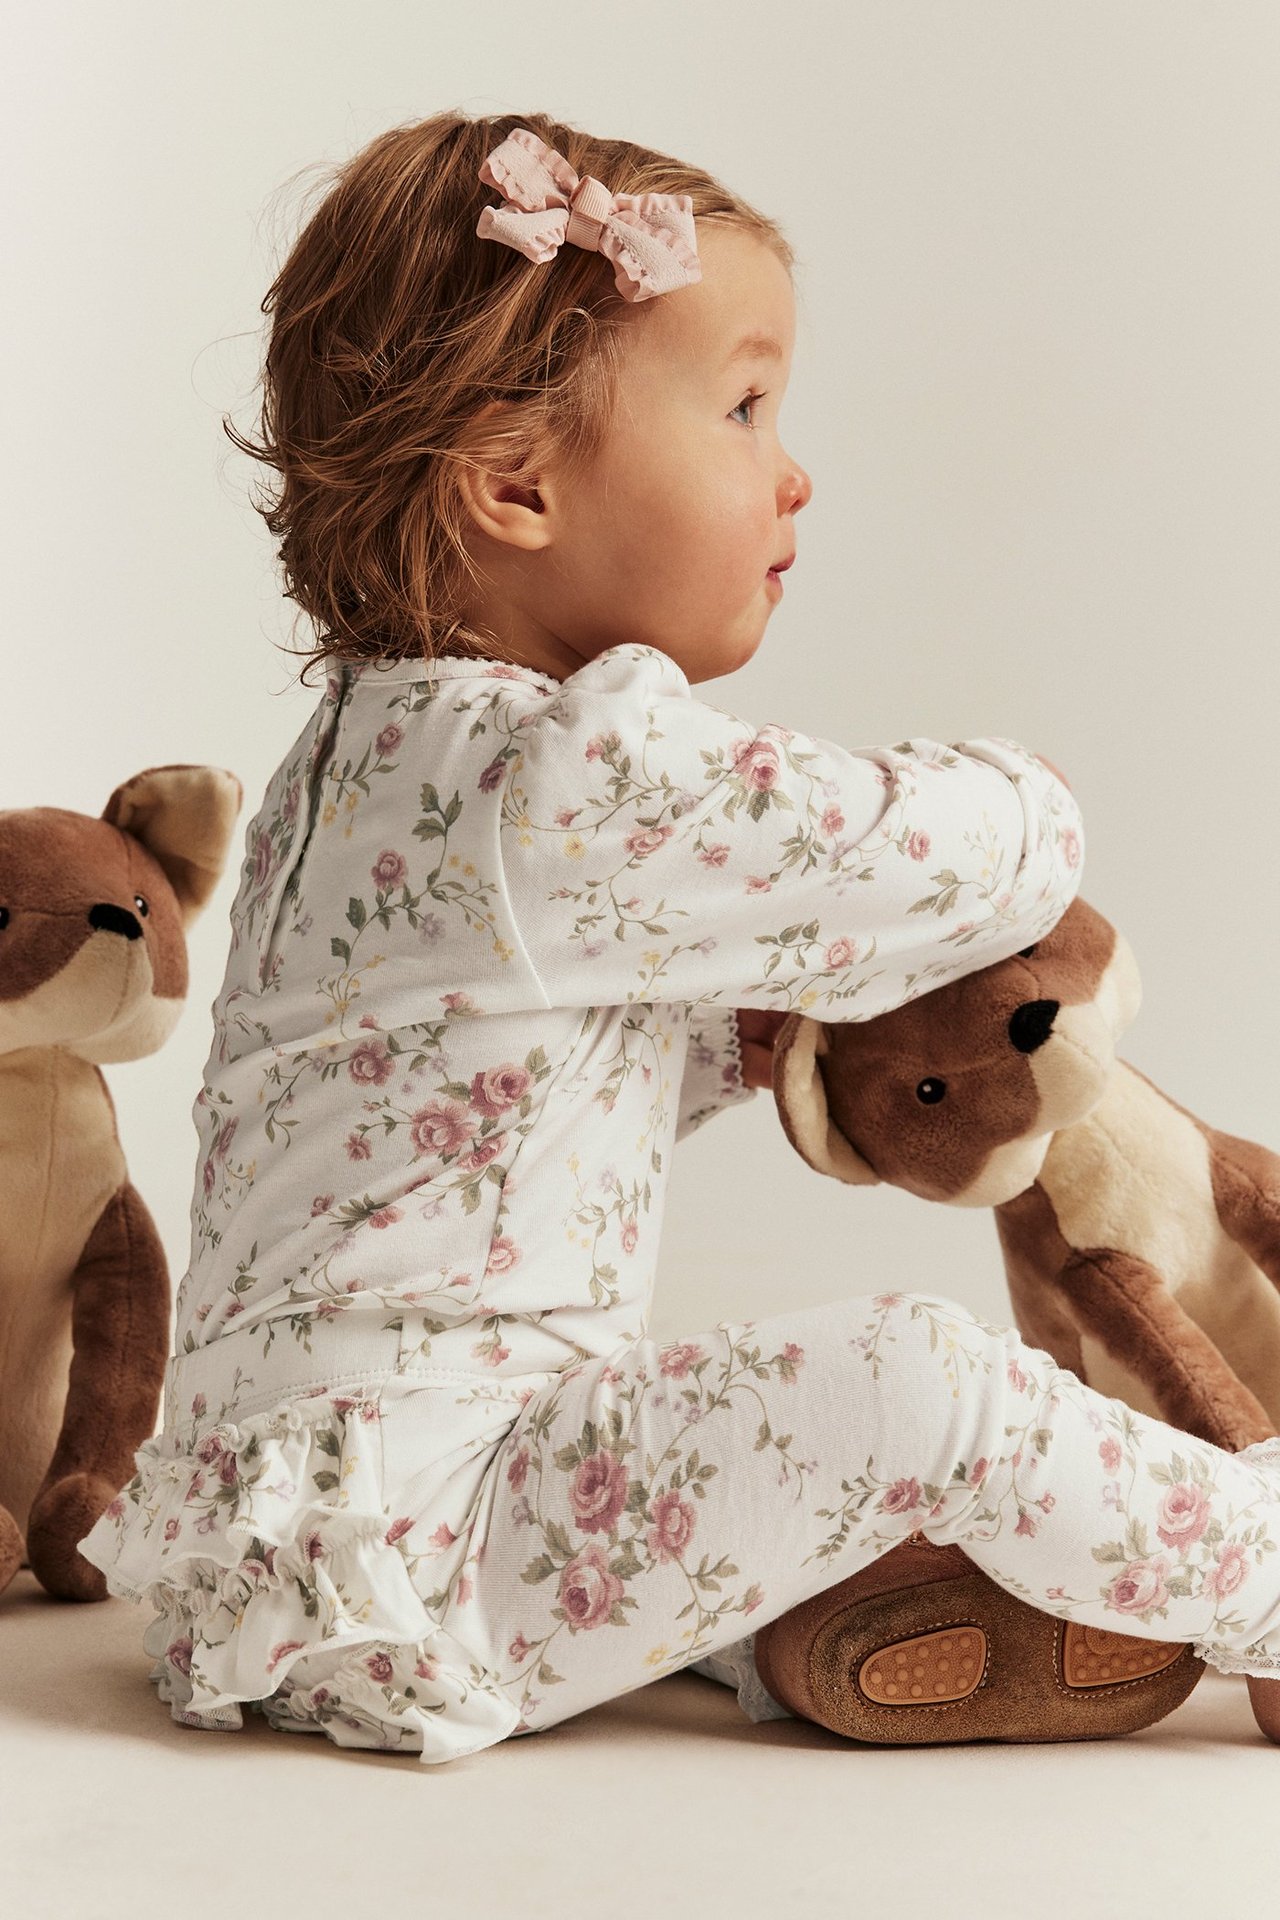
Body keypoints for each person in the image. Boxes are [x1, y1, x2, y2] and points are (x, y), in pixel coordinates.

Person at [78, 110, 1280, 1764]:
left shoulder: (350, 767)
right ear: (515, 482)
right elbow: (950, 862)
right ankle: (1259, 1562)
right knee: (909, 1378)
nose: (794, 471)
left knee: (728, 1439)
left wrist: (748, 1045)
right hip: (450, 1528)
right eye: (742, 407)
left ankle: (806, 1625)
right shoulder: (563, 773)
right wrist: (1036, 803)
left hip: (288, 1553)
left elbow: (485, 1091)